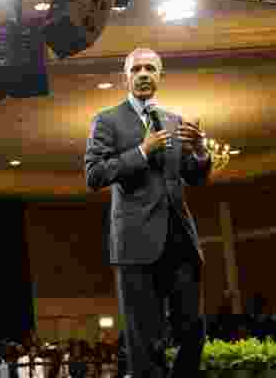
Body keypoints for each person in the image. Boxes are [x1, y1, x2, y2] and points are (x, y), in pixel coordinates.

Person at [84, 48, 211, 378]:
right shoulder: (107, 120)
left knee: (193, 329)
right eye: (136, 69)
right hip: (136, 243)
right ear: (125, 77)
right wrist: (142, 151)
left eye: (150, 69)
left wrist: (199, 150)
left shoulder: (174, 120)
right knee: (145, 340)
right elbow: (94, 175)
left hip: (180, 239)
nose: (143, 74)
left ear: (160, 76)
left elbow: (194, 176)